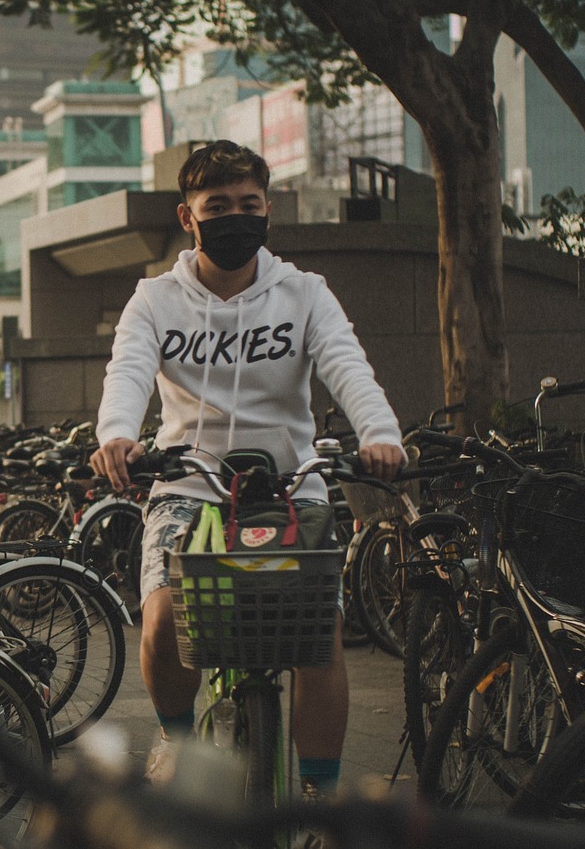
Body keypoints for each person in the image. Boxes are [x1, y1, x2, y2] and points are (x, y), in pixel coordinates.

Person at [88, 141, 405, 806]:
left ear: (267, 211)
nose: (236, 216)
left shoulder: (304, 294)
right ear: (188, 216)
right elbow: (127, 375)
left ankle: (320, 796)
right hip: (188, 484)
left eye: (249, 205)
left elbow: (348, 367)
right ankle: (176, 735)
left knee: (322, 636)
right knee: (163, 618)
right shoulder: (153, 301)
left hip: (293, 486)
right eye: (218, 206)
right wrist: (116, 436)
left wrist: (379, 436)